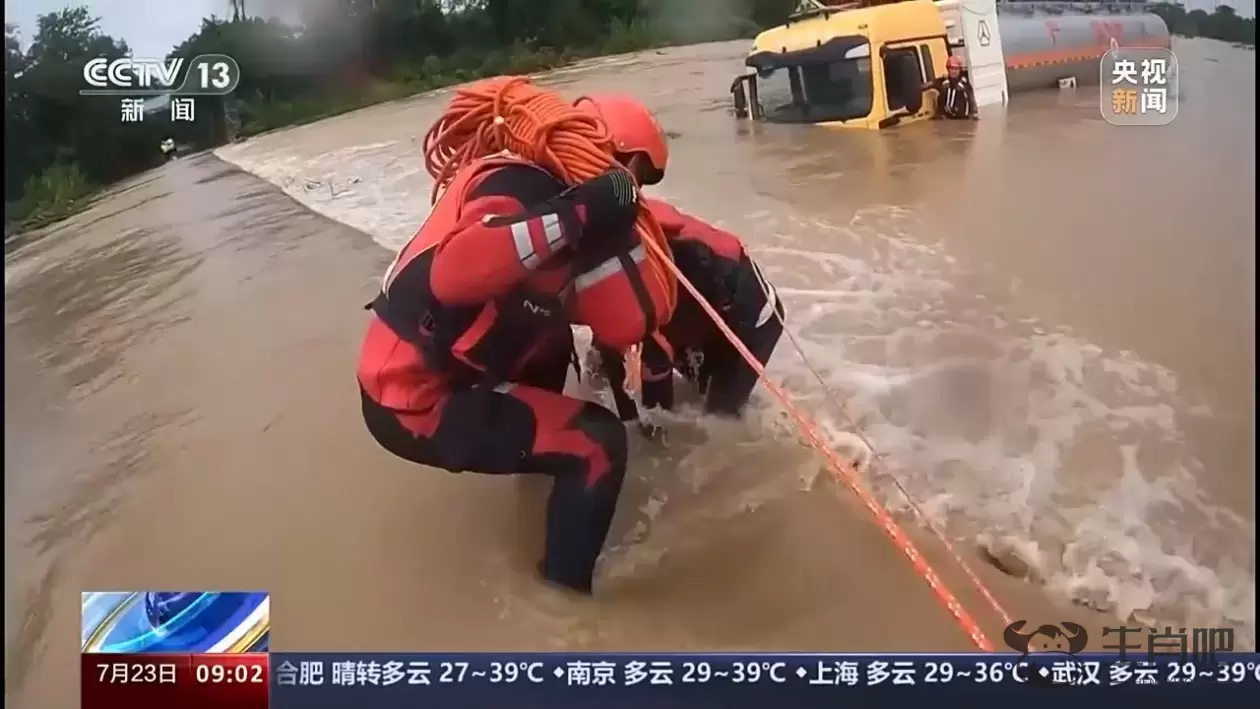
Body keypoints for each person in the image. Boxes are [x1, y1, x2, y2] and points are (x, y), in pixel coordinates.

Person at [357, 80, 676, 597]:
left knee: (554, 350)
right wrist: (583, 211)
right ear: (620, 155)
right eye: (639, 175)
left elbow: (625, 326)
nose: (640, 191)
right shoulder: (515, 182)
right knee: (597, 445)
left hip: (453, 372)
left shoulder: (584, 227)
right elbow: (456, 273)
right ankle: (563, 607)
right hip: (411, 397)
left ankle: (538, 489)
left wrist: (608, 231)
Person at [574, 94, 785, 430]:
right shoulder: (590, 228)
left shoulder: (635, 244)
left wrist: (649, 436)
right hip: (694, 303)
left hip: (748, 314)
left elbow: (652, 374)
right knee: (603, 361)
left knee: (716, 421)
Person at [923, 55, 979, 120]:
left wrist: (973, 115)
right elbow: (926, 86)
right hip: (945, 118)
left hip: (961, 120)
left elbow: (972, 101)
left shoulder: (965, 85)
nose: (954, 71)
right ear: (947, 69)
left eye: (956, 69)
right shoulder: (941, 81)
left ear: (960, 70)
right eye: (951, 68)